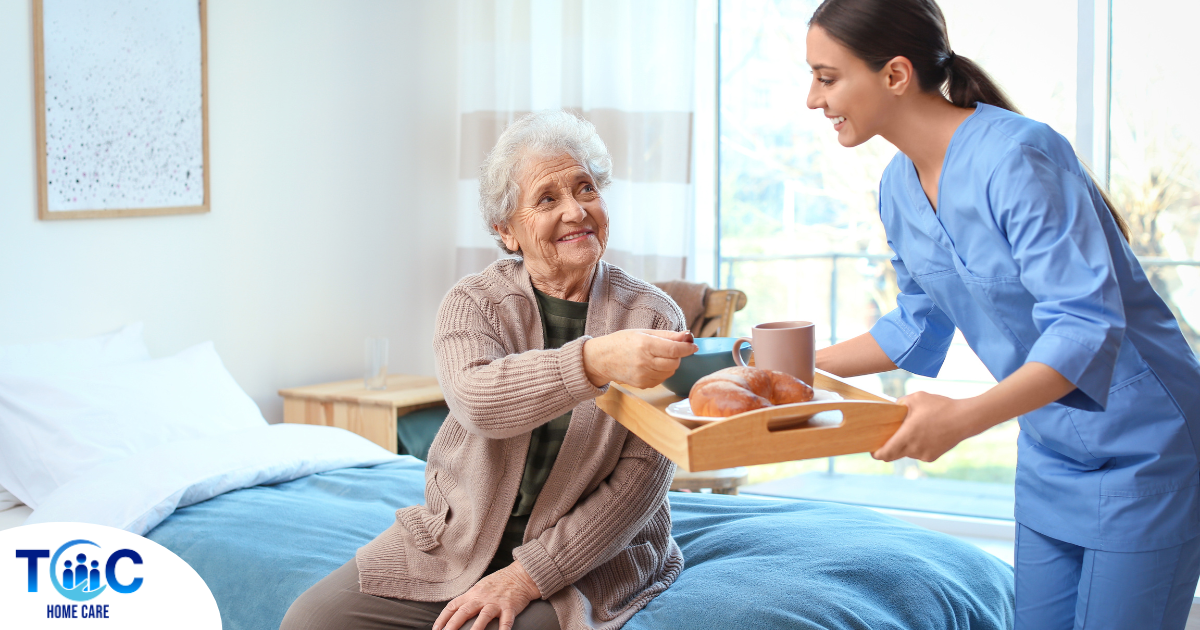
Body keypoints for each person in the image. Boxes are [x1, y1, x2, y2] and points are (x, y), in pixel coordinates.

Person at [804, 0, 1200, 627]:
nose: (812, 99)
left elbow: (1086, 326)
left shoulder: (1018, 155)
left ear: (896, 74)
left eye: (827, 78)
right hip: (1049, 450)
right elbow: (914, 324)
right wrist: (776, 366)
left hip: (1146, 444)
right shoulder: (897, 188)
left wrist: (963, 418)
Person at [280, 110, 697, 630]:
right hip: (460, 541)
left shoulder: (653, 317)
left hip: (583, 558)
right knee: (311, 620)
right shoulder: (474, 304)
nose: (576, 211)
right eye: (547, 199)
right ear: (507, 231)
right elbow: (479, 403)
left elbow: (641, 481)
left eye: (586, 188)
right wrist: (594, 361)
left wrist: (526, 577)